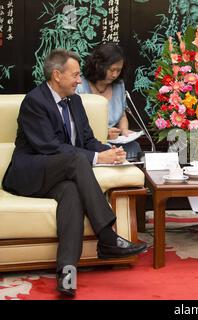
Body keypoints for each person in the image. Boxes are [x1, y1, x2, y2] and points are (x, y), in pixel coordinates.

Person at [2, 49, 147, 297]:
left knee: (71, 194)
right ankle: (108, 238)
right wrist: (94, 157)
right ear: (57, 75)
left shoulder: (75, 101)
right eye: (76, 75)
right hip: (30, 173)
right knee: (77, 160)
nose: (80, 81)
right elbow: (47, 146)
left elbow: (88, 140)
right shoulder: (34, 102)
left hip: (60, 175)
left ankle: (67, 271)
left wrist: (109, 152)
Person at [76, 42, 142, 160]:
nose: (115, 74)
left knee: (134, 147)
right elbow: (76, 124)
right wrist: (104, 133)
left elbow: (122, 116)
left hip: (115, 141)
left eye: (119, 70)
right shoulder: (80, 86)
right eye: (112, 70)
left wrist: (124, 131)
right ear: (98, 65)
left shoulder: (119, 85)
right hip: (90, 144)